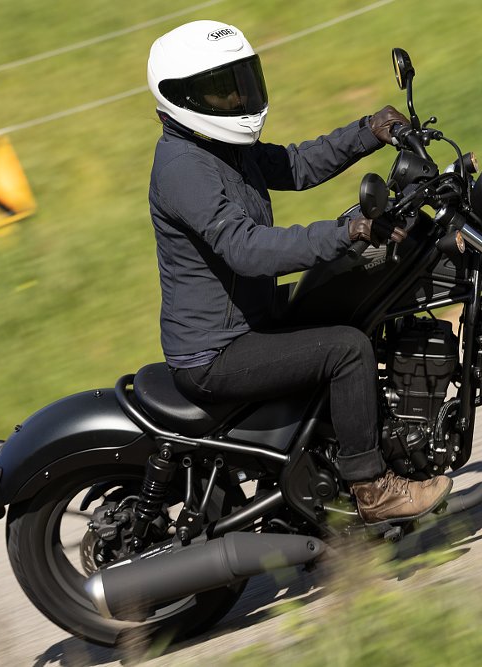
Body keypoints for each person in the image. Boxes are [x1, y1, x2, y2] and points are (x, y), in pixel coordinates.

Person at [146, 20, 452, 524]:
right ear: (181, 99)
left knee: (348, 300)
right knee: (346, 349)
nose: (235, 97)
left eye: (238, 82)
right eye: (218, 89)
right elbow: (247, 249)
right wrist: (345, 232)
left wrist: (368, 130)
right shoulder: (185, 168)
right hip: (216, 353)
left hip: (250, 320)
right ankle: (373, 491)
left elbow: (295, 165)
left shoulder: (219, 147)